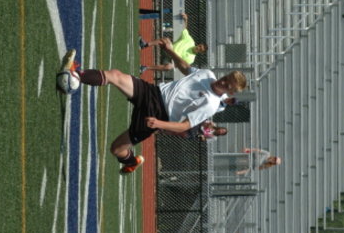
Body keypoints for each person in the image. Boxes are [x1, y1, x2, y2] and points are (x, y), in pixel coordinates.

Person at [56, 45, 247, 174]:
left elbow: (185, 126)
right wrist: (170, 50)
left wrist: (158, 124)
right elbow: (185, 67)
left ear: (229, 92)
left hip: (157, 115)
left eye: (227, 84)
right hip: (152, 92)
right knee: (116, 75)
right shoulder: (207, 74)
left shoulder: (211, 104)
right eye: (226, 78)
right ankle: (75, 75)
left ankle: (132, 162)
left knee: (116, 148)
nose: (223, 82)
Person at [139, 13, 207, 73]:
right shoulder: (190, 41)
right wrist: (186, 19)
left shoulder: (191, 59)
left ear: (201, 52)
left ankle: (145, 68)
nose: (198, 48)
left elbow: (180, 64)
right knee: (166, 40)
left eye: (200, 49)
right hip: (169, 48)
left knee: (169, 67)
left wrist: (173, 62)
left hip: (172, 59)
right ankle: (144, 45)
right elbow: (185, 30)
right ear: (199, 44)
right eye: (200, 46)